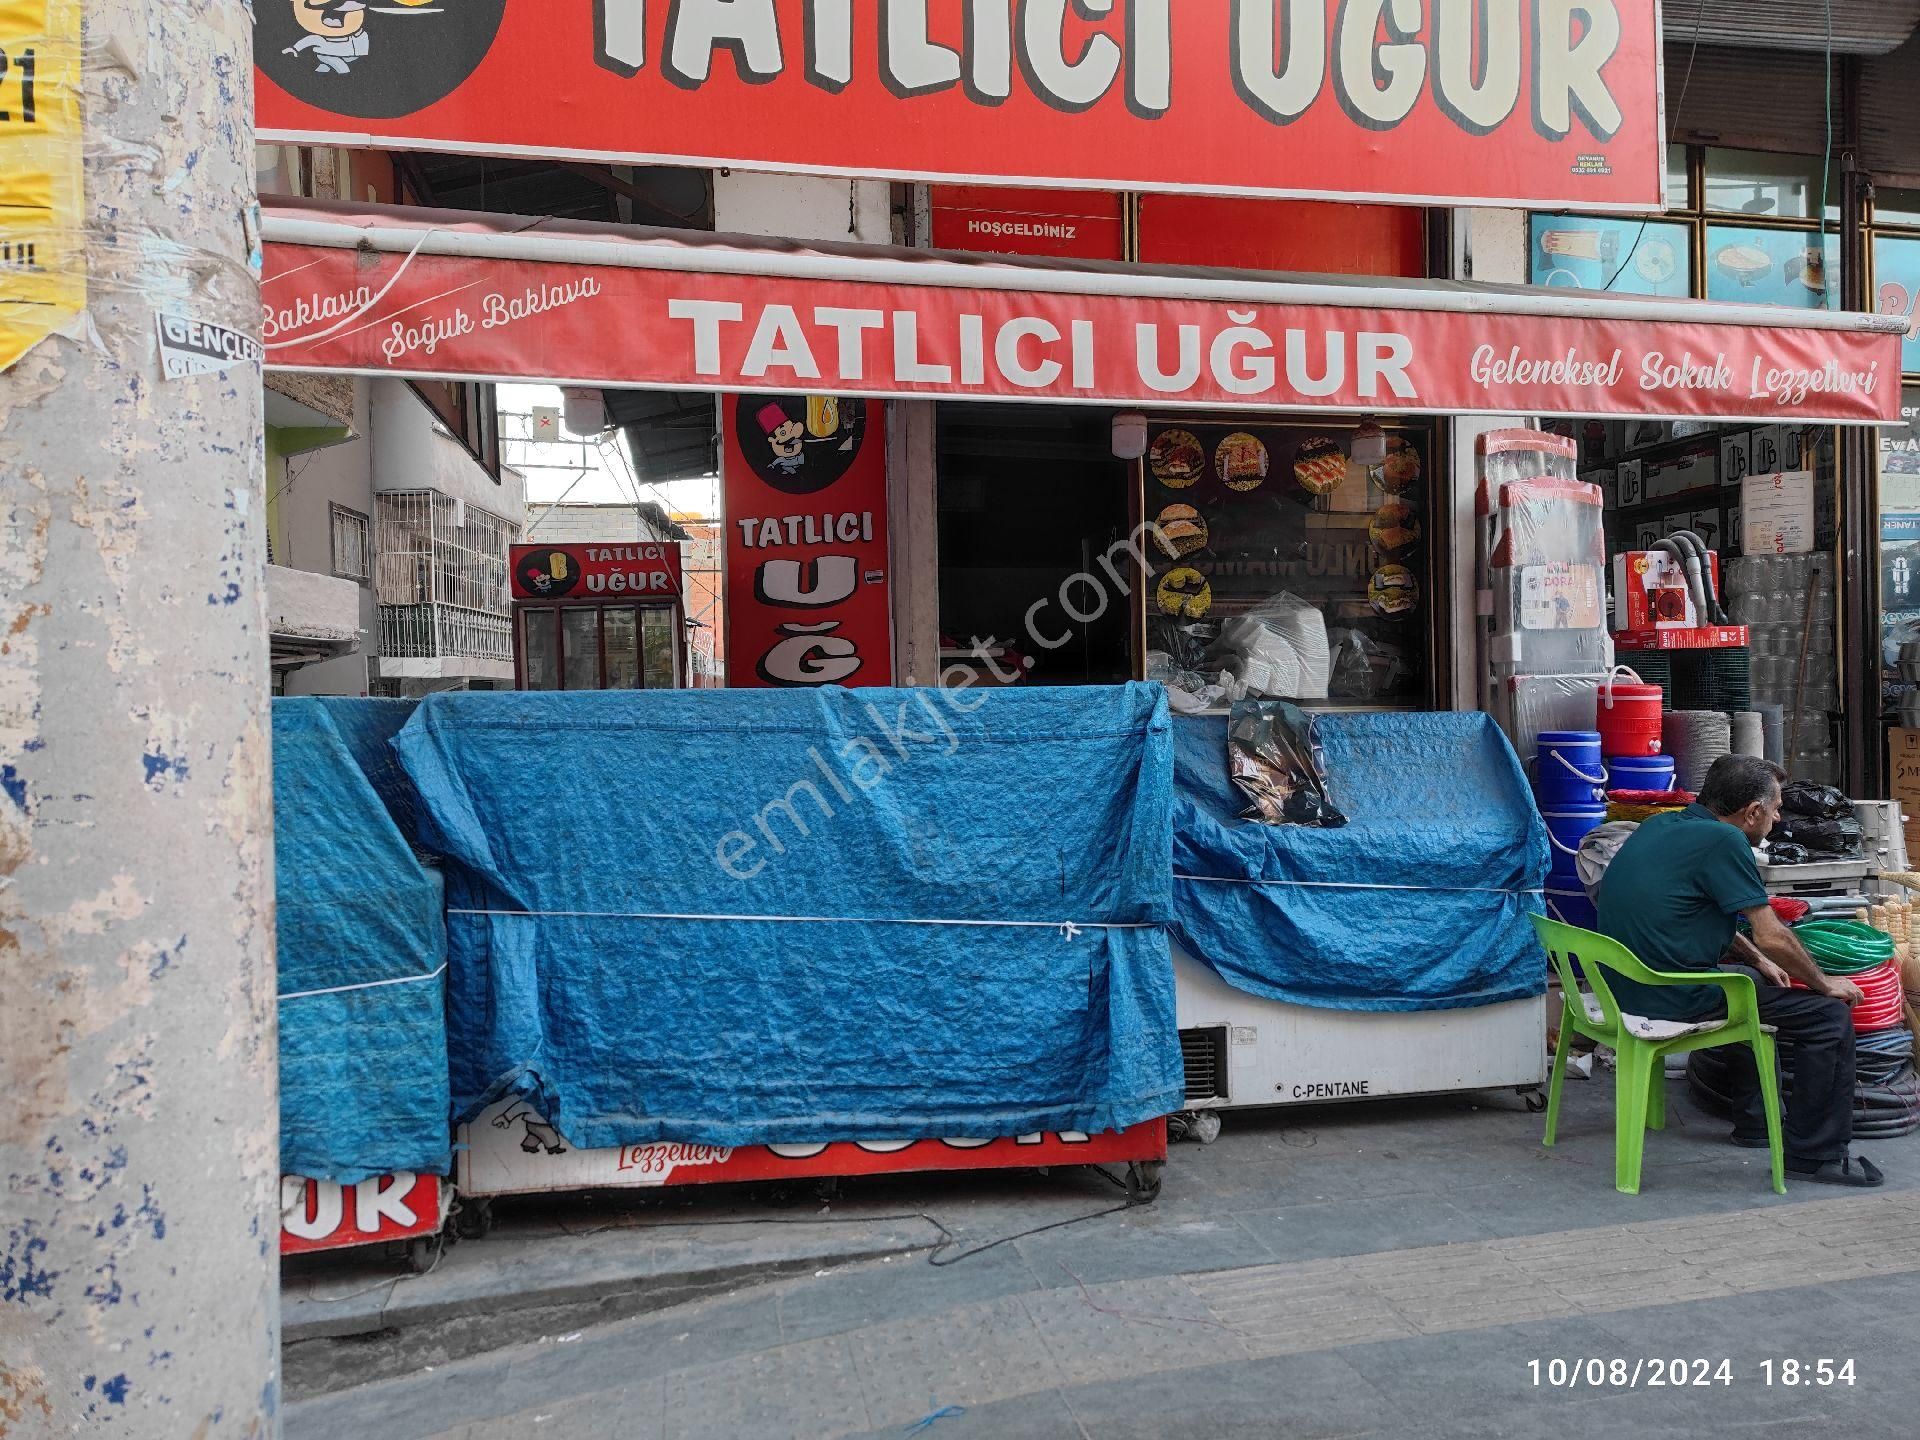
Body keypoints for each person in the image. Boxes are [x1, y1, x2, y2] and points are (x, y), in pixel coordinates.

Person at [1596, 754, 1881, 1187]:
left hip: (1626, 986)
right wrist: (1823, 984)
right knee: (1828, 1017)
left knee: (1751, 982)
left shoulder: (1661, 827)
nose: (1779, 816)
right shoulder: (1725, 843)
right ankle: (1815, 1155)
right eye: (1777, 807)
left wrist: (1760, 961)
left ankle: (1755, 1125)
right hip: (1670, 996)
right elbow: (1772, 934)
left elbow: (1698, 913)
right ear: (1752, 812)